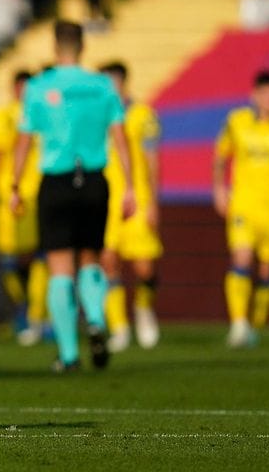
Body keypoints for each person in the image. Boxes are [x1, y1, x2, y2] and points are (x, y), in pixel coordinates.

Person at [11, 21, 135, 373]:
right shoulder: (103, 86)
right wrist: (130, 186)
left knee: (60, 266)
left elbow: (24, 140)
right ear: (83, 47)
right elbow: (120, 136)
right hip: (94, 180)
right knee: (90, 258)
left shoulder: (39, 86)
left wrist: (15, 186)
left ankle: (68, 355)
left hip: (57, 181)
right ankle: (95, 317)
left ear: (55, 47)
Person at [213, 70, 269, 348]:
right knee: (241, 259)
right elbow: (221, 156)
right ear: (254, 96)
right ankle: (238, 325)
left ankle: (254, 324)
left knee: (267, 271)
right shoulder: (237, 121)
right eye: (265, 95)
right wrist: (219, 188)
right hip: (245, 204)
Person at [0, 71, 48, 346]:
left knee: (42, 255)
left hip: (40, 193)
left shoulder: (45, 114)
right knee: (9, 258)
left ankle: (38, 314)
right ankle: (25, 306)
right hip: (8, 196)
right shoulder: (2, 117)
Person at [100, 62, 163, 353]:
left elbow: (152, 161)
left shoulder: (142, 115)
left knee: (145, 267)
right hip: (105, 199)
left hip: (136, 198)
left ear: (123, 82)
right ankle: (119, 327)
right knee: (108, 263)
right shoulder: (96, 116)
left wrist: (153, 201)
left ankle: (143, 309)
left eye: (112, 82)